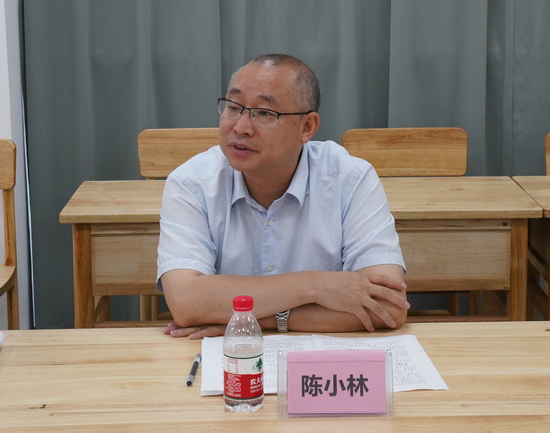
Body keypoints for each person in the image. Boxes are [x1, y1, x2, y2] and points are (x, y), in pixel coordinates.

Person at [158, 53, 409, 339]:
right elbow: (186, 302)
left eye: (265, 113)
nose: (241, 127)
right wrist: (316, 286)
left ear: (307, 127)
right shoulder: (192, 183)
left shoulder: (350, 179)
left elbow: (388, 307)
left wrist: (255, 320)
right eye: (234, 107)